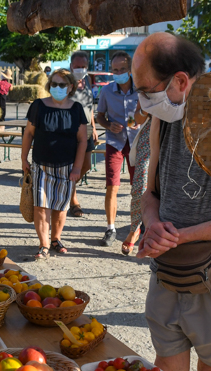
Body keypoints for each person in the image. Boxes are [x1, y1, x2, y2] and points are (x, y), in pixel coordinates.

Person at [133, 32, 211, 371]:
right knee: (166, 370)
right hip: (167, 271)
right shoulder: (162, 120)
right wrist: (152, 223)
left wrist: (183, 236)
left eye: (145, 88)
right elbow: (150, 192)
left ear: (181, 82)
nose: (141, 98)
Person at [21, 69, 88, 259]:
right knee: (41, 207)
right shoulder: (38, 106)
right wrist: (23, 158)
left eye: (62, 84)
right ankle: (43, 245)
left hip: (67, 167)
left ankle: (56, 239)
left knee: (61, 207)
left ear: (71, 87)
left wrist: (77, 167)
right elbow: (28, 133)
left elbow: (82, 140)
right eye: (54, 84)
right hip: (41, 165)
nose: (57, 88)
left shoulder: (76, 109)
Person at [96, 51, 139, 246]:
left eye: (122, 69)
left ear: (130, 70)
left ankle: (137, 227)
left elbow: (150, 114)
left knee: (138, 188)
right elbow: (100, 116)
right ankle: (110, 228)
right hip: (115, 142)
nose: (118, 72)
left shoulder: (141, 90)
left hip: (136, 142)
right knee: (112, 186)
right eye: (115, 70)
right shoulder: (106, 91)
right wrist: (107, 125)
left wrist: (138, 122)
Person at [68, 51, 99, 218]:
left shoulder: (87, 80)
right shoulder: (65, 81)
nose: (80, 69)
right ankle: (73, 201)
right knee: (75, 165)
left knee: (86, 165)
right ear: (71, 65)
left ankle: (67, 190)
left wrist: (93, 127)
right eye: (77, 66)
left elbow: (90, 105)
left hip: (86, 128)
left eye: (83, 66)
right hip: (72, 130)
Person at [122, 102, 150, 255]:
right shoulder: (147, 87)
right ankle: (135, 229)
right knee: (140, 186)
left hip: (178, 134)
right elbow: (133, 121)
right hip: (149, 135)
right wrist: (147, 107)